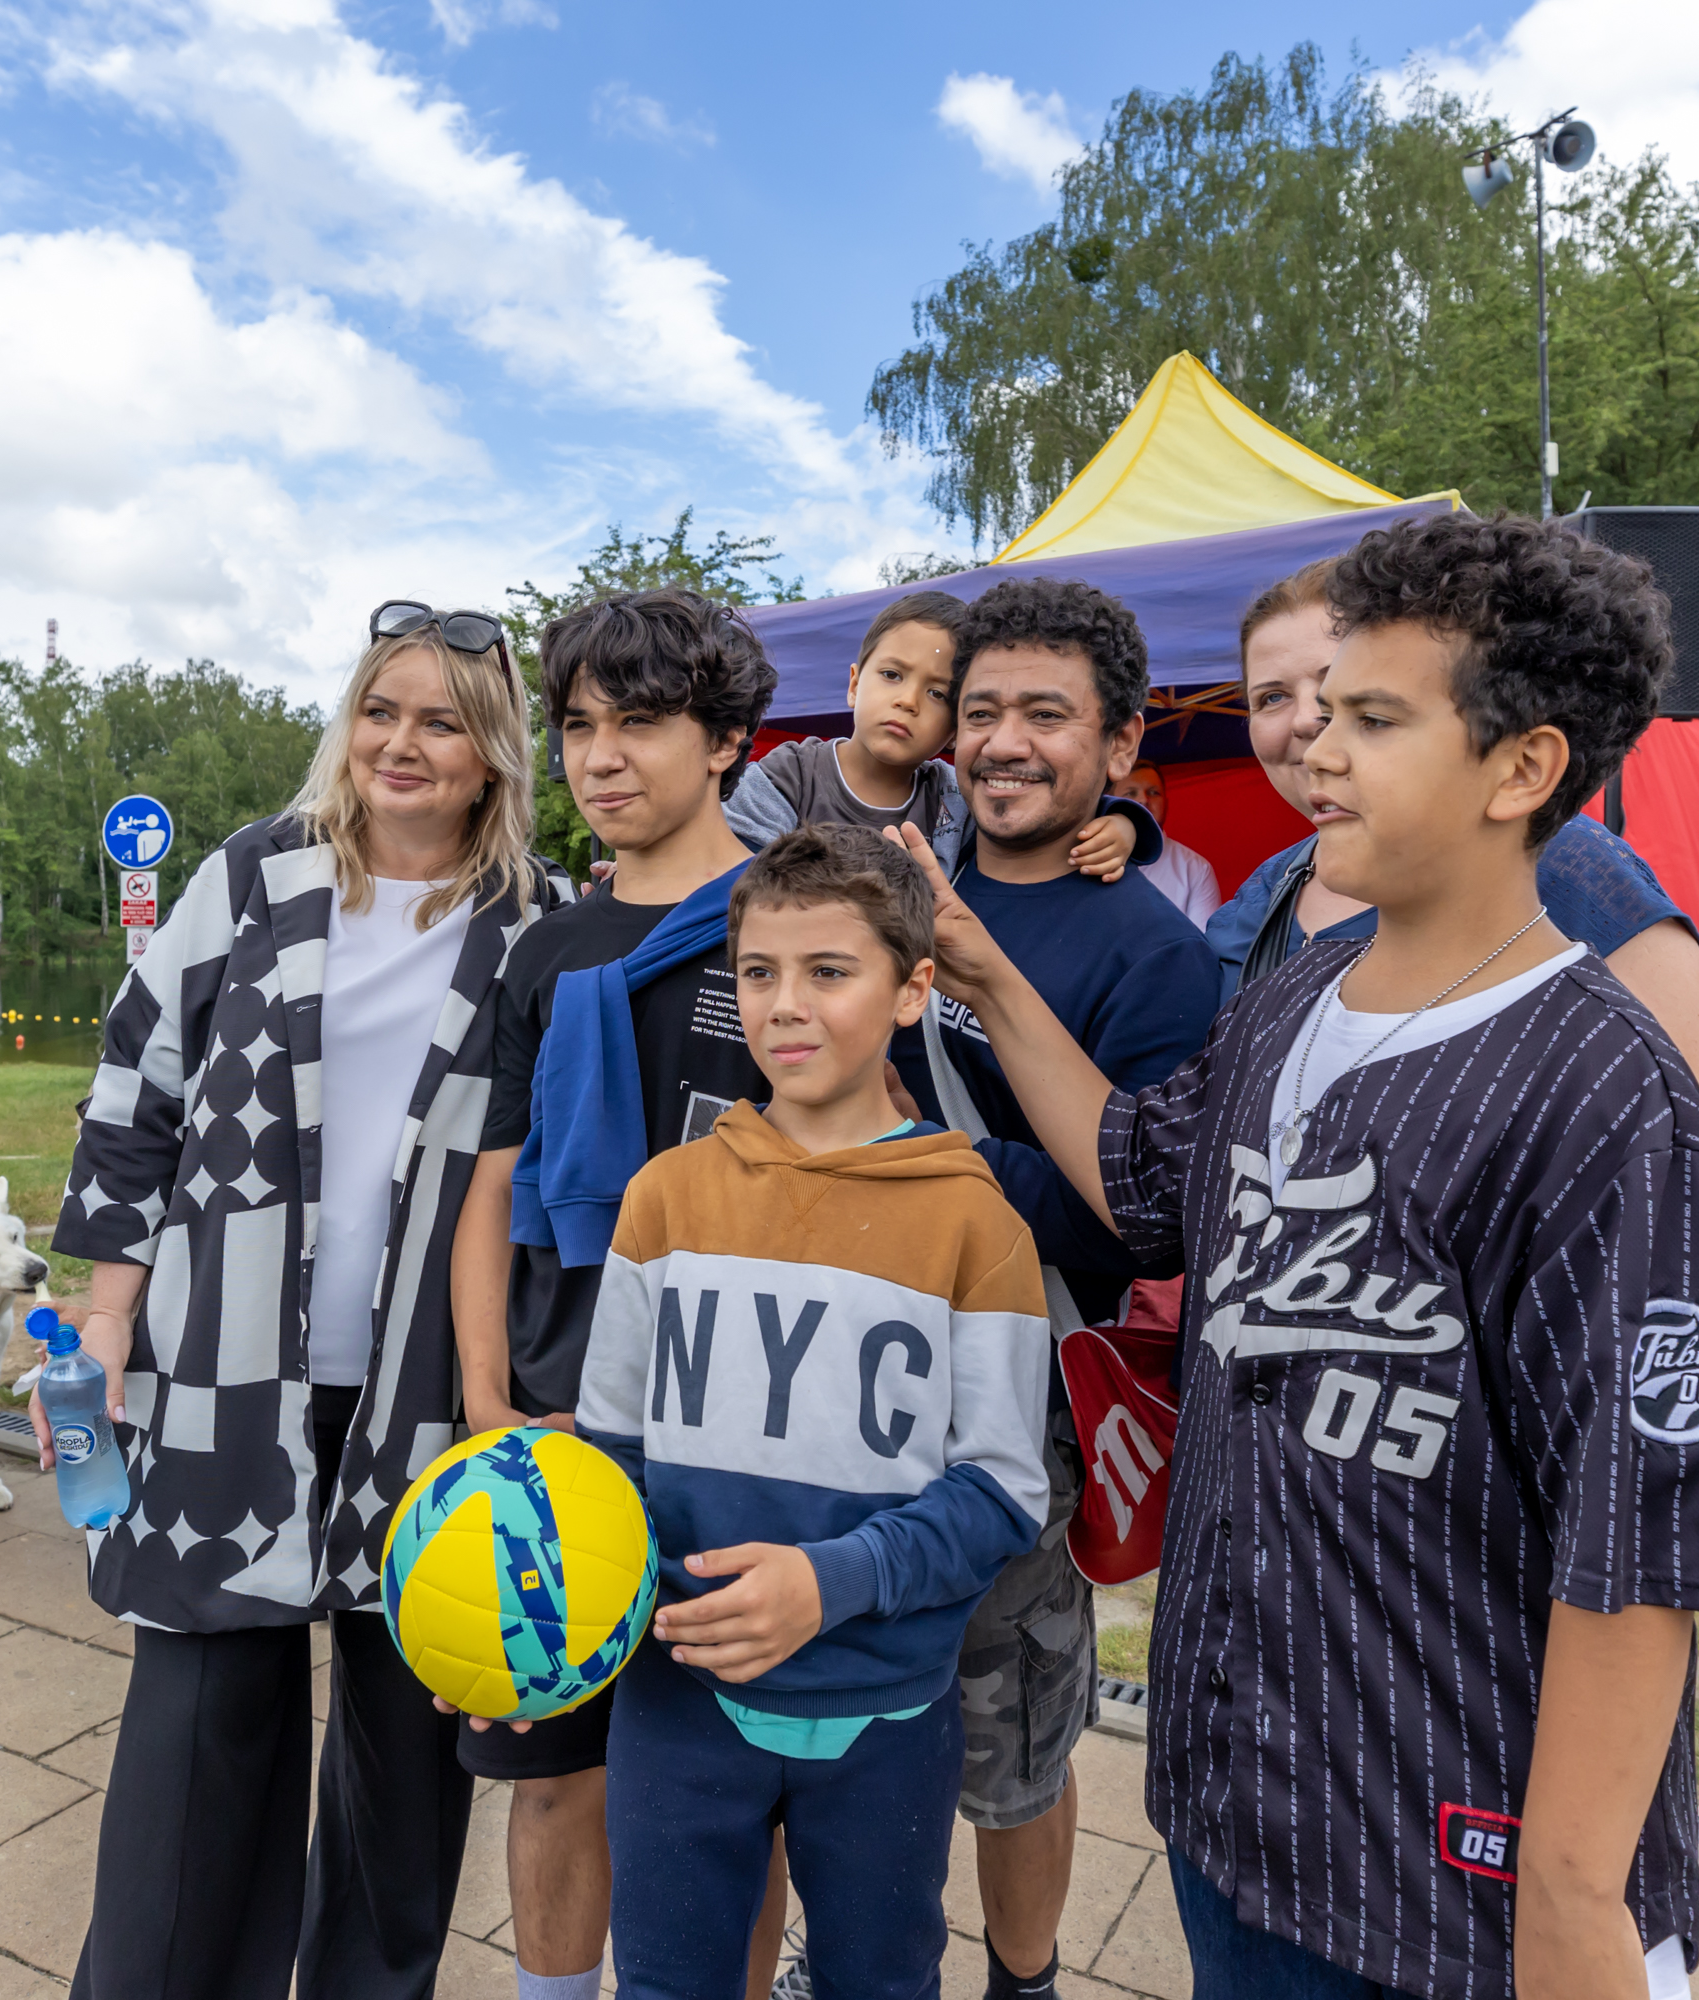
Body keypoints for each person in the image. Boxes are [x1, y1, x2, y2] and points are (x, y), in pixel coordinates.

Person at [897, 510, 1699, 2000]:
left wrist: (1571, 1898)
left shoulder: (1604, 1091)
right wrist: (978, 965)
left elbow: (1640, 1529)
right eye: (1312, 708)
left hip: (1455, 1869)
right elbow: (1142, 1176)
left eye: (1373, 717)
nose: (1316, 749)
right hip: (1244, 1807)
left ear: (1522, 768)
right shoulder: (1290, 1001)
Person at [44, 598, 564, 2000]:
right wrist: (101, 1325)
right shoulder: (251, 877)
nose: (402, 742)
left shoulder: (542, 925)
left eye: (442, 720)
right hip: (222, 1373)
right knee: (193, 1749)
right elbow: (133, 1103)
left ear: (494, 751)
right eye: (381, 710)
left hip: (432, 1393)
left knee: (407, 1771)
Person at [558, 824, 1049, 2000]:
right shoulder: (663, 1196)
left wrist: (830, 1582)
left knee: (880, 1979)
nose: (787, 1004)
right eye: (760, 972)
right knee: (669, 1982)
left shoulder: (978, 1224)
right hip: (677, 1698)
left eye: (829, 971)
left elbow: (1002, 1493)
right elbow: (606, 1460)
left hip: (886, 1706)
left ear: (912, 987)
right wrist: (533, 1622)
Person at [449, 587, 793, 2000]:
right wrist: (486, 1407)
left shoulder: (794, 917)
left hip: (744, 1436)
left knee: (742, 1790)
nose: (600, 757)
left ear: (724, 741)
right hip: (559, 1417)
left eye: (639, 723)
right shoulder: (546, 948)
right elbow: (492, 1185)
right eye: (579, 724)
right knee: (554, 1777)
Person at [883, 577, 1218, 2000]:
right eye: (985, 711)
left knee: (1010, 1747)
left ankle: (1021, 1978)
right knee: (845, 1716)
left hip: (1014, 1424)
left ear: (1121, 745)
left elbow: (1136, 1233)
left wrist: (918, 1162)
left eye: (1046, 715)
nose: (1006, 742)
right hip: (836, 1394)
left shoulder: (1154, 955)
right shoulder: (884, 886)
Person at [1210, 557, 1699, 1090]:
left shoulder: (1571, 864)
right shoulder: (1253, 906)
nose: (1308, 723)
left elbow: (1664, 1130)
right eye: (1270, 697)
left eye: (1358, 703)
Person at [725, 590, 1150, 881]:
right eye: (892, 675)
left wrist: (1122, 823)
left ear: (957, 726)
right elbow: (731, 880)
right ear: (854, 685)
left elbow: (1044, 812)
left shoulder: (953, 799)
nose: (907, 701)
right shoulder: (788, 777)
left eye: (936, 693)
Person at [1114, 762, 1222, 926]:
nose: (1144, 799)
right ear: (1111, 802)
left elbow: (1204, 946)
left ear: (1166, 803)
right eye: (1131, 793)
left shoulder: (1196, 869)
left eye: (1154, 792)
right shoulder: (1085, 860)